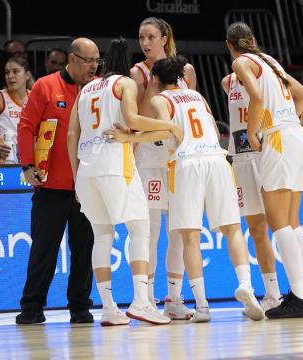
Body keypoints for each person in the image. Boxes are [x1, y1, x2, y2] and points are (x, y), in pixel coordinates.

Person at [68, 37, 182, 326]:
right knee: (140, 227)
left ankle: (108, 307)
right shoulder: (125, 84)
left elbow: (71, 134)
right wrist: (167, 125)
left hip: (86, 170)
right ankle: (142, 302)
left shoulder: (85, 90)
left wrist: (75, 175)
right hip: (115, 164)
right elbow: (132, 118)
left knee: (102, 235)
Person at [147, 56, 264, 322]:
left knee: (190, 237)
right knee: (233, 228)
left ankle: (201, 305)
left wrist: (132, 135)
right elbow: (211, 127)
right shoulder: (198, 97)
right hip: (217, 159)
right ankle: (246, 285)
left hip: (186, 164)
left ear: (155, 80)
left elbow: (167, 127)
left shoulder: (159, 99)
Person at [227, 22, 303, 318]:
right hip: (296, 137)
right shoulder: (271, 62)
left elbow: (256, 98)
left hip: (277, 137)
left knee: (278, 224)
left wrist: (253, 134)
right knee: (292, 222)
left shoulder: (241, 62)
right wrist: (297, 131)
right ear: (253, 40)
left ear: (230, 44)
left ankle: (301, 298)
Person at [15, 37, 100, 325]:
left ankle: (80, 307)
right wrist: (27, 165)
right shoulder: (45, 86)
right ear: (72, 59)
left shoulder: (97, 90)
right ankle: (32, 307)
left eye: (97, 60)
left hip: (86, 188)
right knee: (43, 251)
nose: (94, 66)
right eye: (89, 60)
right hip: (50, 187)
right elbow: (26, 126)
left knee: (84, 252)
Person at [129, 17, 197, 319]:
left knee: (179, 230)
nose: (145, 43)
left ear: (164, 37)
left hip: (179, 157)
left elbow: (188, 108)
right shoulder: (137, 71)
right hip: (149, 156)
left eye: (151, 37)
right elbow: (138, 115)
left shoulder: (187, 71)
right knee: (150, 230)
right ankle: (148, 298)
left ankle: (174, 297)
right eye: (141, 37)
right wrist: (152, 84)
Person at [222, 58, 287, 313]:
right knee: (257, 230)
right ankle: (272, 293)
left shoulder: (268, 79)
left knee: (283, 226)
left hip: (266, 153)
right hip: (240, 158)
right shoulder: (228, 82)